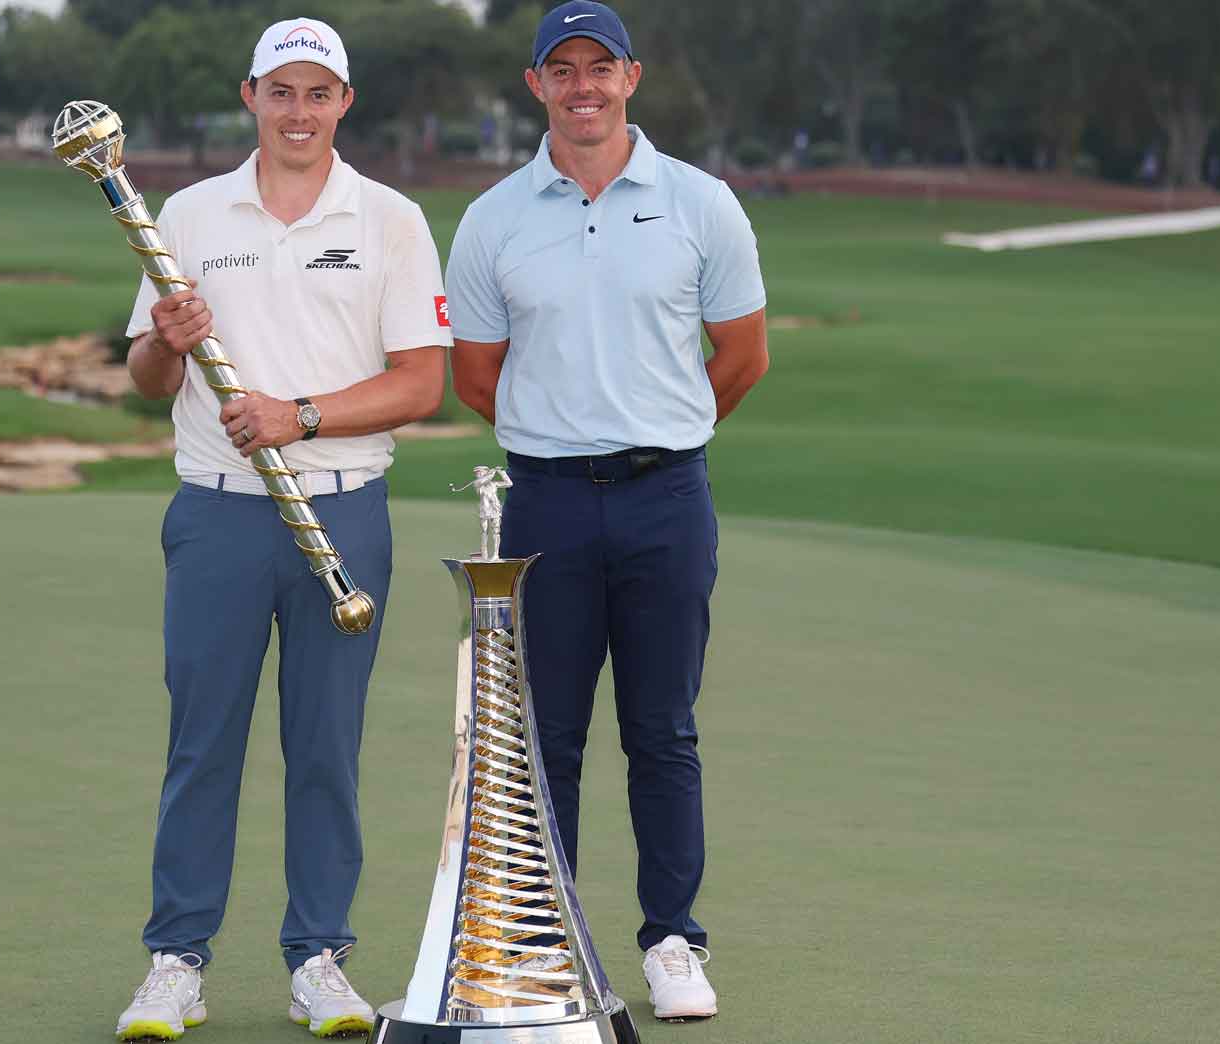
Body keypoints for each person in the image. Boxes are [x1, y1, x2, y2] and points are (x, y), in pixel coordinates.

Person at [112, 16, 451, 1042]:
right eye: (280, 91)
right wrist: (167, 348)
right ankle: (176, 961)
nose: (298, 112)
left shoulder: (388, 218)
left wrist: (295, 414)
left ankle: (318, 960)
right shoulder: (187, 211)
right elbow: (143, 380)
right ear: (248, 96)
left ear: (344, 102)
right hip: (216, 511)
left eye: (318, 93)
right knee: (200, 745)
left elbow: (419, 383)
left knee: (323, 748)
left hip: (343, 506)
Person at [444, 0, 768, 1023]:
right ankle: (546, 946)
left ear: (632, 76)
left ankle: (671, 940)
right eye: (560, 69)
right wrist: (565, 433)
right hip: (544, 504)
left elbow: (742, 355)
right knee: (549, 742)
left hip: (666, 497)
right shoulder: (492, 217)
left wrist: (651, 429)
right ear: (535, 84)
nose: (581, 86)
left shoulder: (699, 203)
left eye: (600, 67)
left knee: (662, 728)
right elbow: (474, 375)